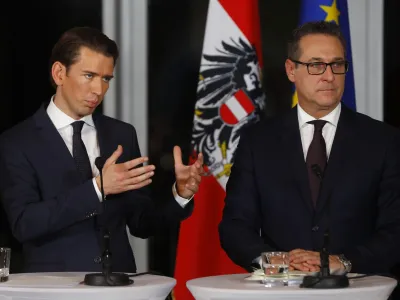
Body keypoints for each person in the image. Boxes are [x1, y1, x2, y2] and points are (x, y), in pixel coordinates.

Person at [0, 27, 203, 273]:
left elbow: (141, 223)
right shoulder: (17, 142)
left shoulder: (121, 135)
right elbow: (24, 224)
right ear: (59, 73)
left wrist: (180, 194)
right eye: (89, 75)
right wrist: (97, 188)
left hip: (119, 288)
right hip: (53, 290)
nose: (99, 89)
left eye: (106, 78)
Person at [219, 21, 400, 275]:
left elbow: (395, 230)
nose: (329, 76)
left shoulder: (384, 141)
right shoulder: (257, 142)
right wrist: (274, 261)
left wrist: (344, 262)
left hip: (358, 289)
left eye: (337, 65)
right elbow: (236, 226)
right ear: (291, 70)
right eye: (316, 65)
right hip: (282, 290)